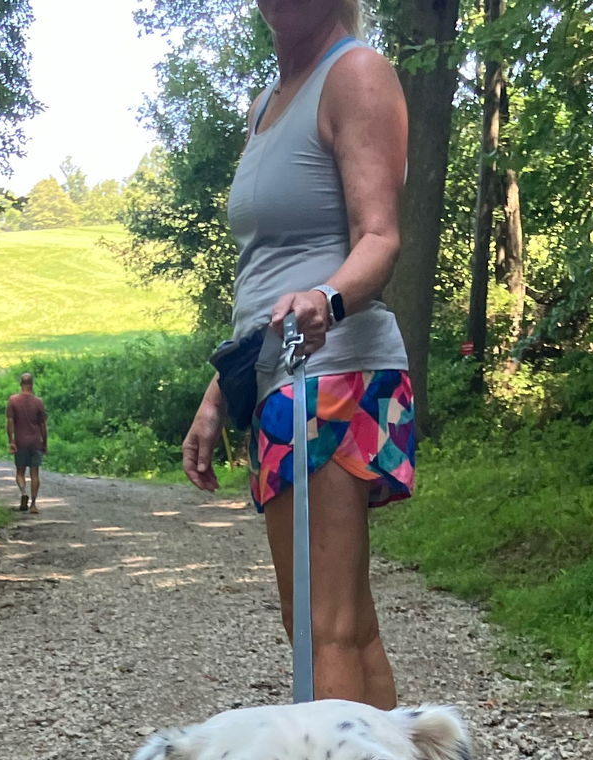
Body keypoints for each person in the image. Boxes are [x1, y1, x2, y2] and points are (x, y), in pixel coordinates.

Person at [181, 0, 411, 709]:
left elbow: (379, 238)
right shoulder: (268, 105)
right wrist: (220, 393)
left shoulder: (357, 75)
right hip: (279, 376)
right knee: (331, 620)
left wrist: (329, 298)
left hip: (337, 370)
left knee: (324, 627)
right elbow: (263, 278)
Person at [6, 371, 48, 511]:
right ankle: (34, 504)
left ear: (21, 384)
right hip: (35, 442)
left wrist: (11, 440)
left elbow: (10, 422)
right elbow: (43, 425)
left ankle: (24, 493)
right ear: (32, 384)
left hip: (20, 442)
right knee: (35, 474)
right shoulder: (38, 402)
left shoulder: (13, 400)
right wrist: (45, 443)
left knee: (20, 472)